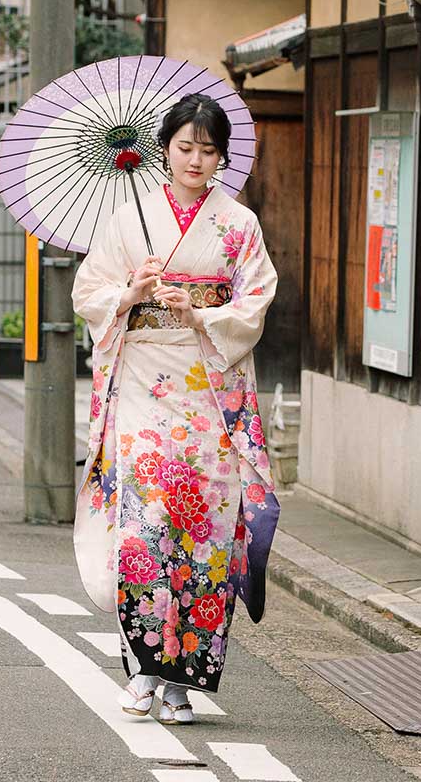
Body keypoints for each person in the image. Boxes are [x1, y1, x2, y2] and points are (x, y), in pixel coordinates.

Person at [71, 92, 280, 725]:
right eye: (185, 147)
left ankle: (184, 682)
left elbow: (257, 300)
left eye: (208, 150)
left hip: (207, 387)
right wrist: (130, 291)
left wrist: (204, 313)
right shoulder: (127, 217)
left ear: (222, 157)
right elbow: (90, 289)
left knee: (206, 530)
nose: (195, 160)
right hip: (140, 381)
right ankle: (142, 673)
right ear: (165, 148)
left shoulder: (238, 225)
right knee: (145, 526)